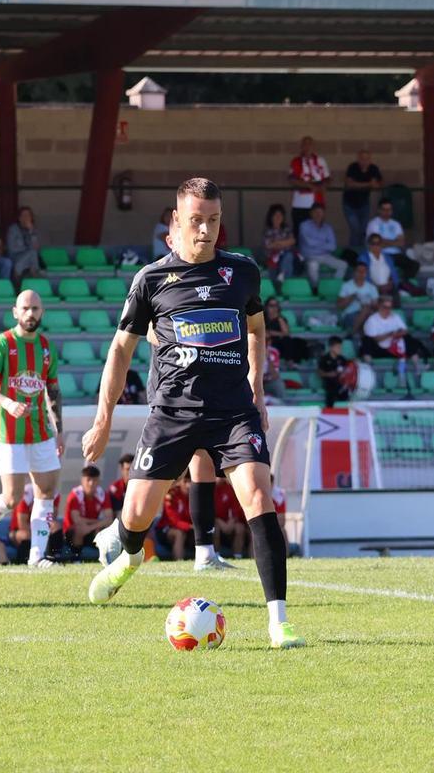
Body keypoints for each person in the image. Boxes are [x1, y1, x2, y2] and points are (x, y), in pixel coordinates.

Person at [81, 177, 303, 649]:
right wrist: (103, 420)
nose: (206, 231)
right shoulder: (152, 279)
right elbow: (120, 350)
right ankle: (128, 556)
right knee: (137, 515)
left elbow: (257, 330)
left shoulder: (242, 272)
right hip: (172, 412)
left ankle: (278, 623)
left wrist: (257, 390)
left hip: (232, 413)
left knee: (259, 499)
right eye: (196, 221)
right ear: (176, 223)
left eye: (214, 221)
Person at [0, 289, 64, 569]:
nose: (31, 313)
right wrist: (7, 403)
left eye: (36, 308)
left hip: (42, 432)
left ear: (42, 312)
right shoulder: (1, 344)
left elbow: (52, 390)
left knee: (46, 492)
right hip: (10, 434)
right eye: (26, 308)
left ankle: (37, 558)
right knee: (11, 498)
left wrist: (59, 429)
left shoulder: (46, 347)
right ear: (15, 311)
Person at [362, 294, 424, 388]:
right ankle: (369, 364)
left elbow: (405, 330)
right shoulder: (372, 320)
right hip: (379, 349)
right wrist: (390, 334)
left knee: (408, 338)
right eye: (385, 307)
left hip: (394, 346)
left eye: (390, 307)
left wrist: (398, 334)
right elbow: (375, 338)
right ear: (379, 306)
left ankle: (417, 364)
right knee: (366, 340)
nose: (388, 310)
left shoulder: (395, 317)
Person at [64, 465, 114, 560]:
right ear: (82, 481)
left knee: (105, 530)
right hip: (71, 532)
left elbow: (110, 518)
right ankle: (76, 558)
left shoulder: (102, 494)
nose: (91, 484)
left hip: (90, 529)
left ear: (98, 481)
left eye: (94, 480)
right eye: (88, 480)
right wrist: (98, 522)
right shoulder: (75, 495)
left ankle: (105, 558)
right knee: (80, 528)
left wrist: (91, 527)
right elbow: (77, 520)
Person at [365, 198, 419, 281]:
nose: (387, 212)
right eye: (384, 209)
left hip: (397, 254)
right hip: (381, 254)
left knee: (415, 265)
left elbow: (401, 243)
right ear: (379, 210)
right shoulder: (373, 224)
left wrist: (384, 241)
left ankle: (405, 285)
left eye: (389, 209)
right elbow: (376, 243)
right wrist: (394, 242)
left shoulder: (396, 224)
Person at [297, 204, 347, 289]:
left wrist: (316, 245)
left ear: (323, 214)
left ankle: (332, 286)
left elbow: (333, 247)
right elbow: (309, 243)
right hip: (310, 256)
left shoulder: (328, 228)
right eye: (315, 212)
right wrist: (325, 244)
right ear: (311, 213)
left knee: (343, 265)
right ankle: (315, 289)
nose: (318, 214)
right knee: (313, 265)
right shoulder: (304, 225)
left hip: (325, 256)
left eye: (320, 212)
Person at [288, 135, 330, 232]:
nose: (307, 146)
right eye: (305, 144)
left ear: (313, 146)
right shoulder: (295, 161)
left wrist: (324, 185)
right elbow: (292, 180)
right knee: (299, 231)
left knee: (317, 230)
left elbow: (328, 179)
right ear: (301, 146)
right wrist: (309, 185)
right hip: (300, 204)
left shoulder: (321, 160)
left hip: (318, 203)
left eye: (310, 144)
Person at [343, 150, 382, 250]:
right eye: (362, 159)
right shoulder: (353, 167)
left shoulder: (373, 169)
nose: (364, 161)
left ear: (370, 160)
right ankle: (353, 253)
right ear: (358, 159)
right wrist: (368, 184)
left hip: (364, 204)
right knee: (355, 230)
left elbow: (378, 184)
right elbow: (349, 184)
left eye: (366, 159)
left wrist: (362, 184)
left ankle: (362, 252)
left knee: (364, 230)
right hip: (349, 204)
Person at [336, 261, 379, 335]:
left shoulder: (372, 287)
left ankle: (353, 333)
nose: (361, 273)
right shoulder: (346, 286)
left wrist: (370, 303)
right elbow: (339, 306)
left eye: (364, 271)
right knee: (368, 318)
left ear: (366, 273)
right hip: (349, 315)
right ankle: (357, 333)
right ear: (354, 272)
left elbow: (377, 306)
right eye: (359, 271)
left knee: (367, 311)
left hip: (367, 314)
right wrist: (352, 297)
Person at [263, 297, 308, 363]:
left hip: (279, 342)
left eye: (276, 305)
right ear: (266, 307)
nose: (274, 308)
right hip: (267, 342)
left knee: (296, 342)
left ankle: (289, 361)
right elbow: (265, 333)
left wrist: (279, 319)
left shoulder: (281, 318)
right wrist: (277, 334)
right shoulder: (262, 317)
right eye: (271, 306)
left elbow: (286, 333)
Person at [5, 206, 42, 287]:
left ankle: (19, 272)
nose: (26, 218)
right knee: (31, 254)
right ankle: (34, 274)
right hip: (15, 257)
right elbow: (11, 249)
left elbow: (37, 248)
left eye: (28, 215)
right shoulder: (13, 229)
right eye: (24, 215)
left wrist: (31, 231)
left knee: (32, 253)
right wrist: (27, 250)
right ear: (19, 218)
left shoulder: (33, 230)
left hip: (26, 261)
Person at [214, 476, 248, 558]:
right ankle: (216, 556)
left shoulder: (230, 488)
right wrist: (218, 520)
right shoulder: (208, 488)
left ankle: (237, 556)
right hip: (215, 521)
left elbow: (235, 507)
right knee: (214, 528)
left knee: (240, 528)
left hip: (229, 521)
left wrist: (232, 520)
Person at [262, 204, 297, 283]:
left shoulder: (286, 229)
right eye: (276, 215)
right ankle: (282, 278)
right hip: (272, 259)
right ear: (271, 217)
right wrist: (285, 243)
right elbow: (268, 245)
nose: (278, 217)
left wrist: (277, 243)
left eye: (280, 215)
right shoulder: (268, 230)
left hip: (286, 257)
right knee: (287, 257)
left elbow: (292, 241)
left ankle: (282, 275)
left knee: (289, 256)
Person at [318, 336, 350, 408]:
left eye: (340, 347)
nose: (340, 349)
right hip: (330, 385)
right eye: (338, 347)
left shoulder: (342, 359)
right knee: (331, 394)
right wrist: (329, 374)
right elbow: (320, 373)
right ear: (331, 347)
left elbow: (347, 370)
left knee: (345, 392)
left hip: (341, 384)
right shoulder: (324, 359)